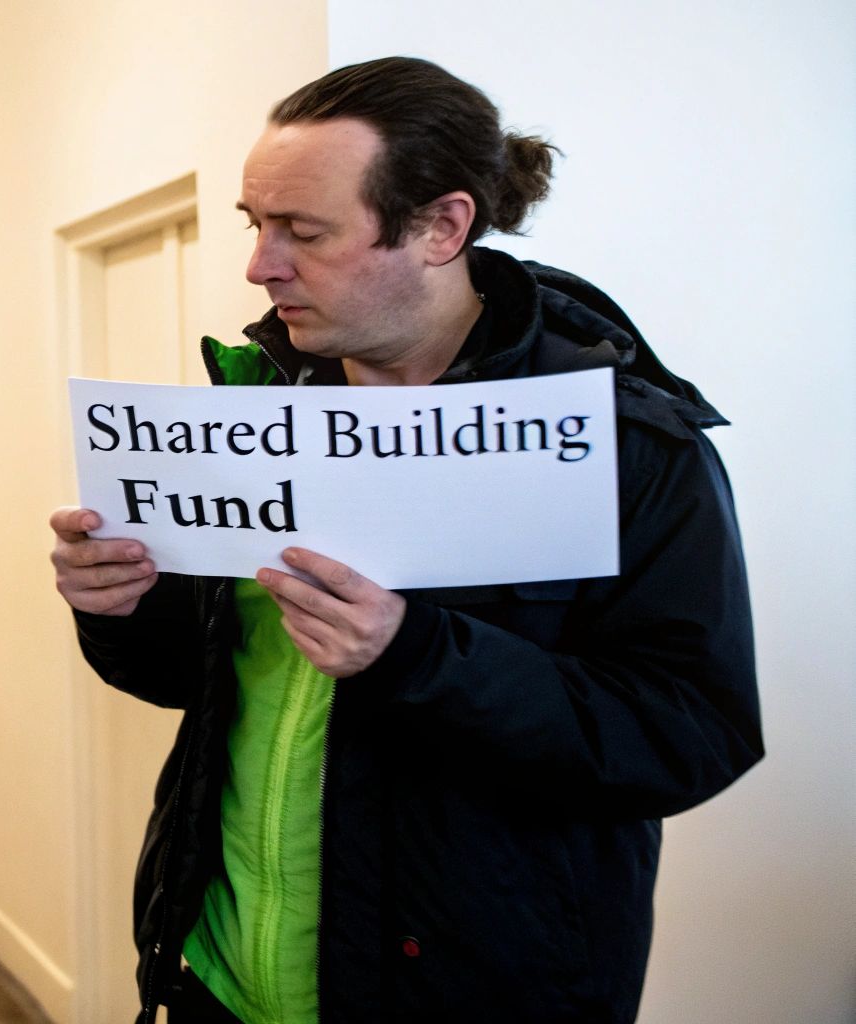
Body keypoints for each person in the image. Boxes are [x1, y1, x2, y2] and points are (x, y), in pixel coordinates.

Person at [49, 57, 761, 1024]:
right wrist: (122, 606)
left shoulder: (616, 443)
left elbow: (688, 733)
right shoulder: (258, 411)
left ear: (441, 226)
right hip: (216, 975)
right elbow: (212, 680)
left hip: (464, 991)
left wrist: (419, 654)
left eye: (303, 231)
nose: (260, 265)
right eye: (255, 226)